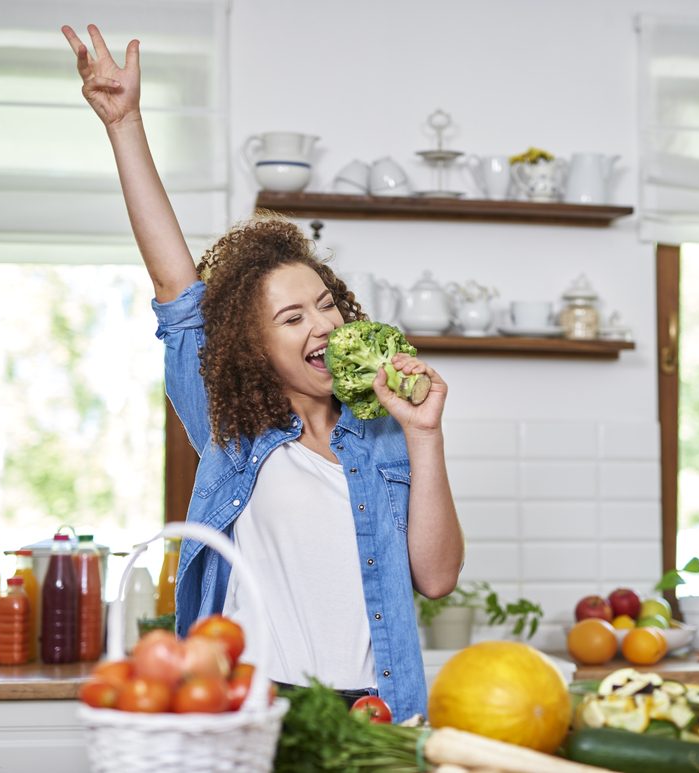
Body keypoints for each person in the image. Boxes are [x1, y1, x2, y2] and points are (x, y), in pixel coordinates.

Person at [62, 24, 464, 720]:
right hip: (254, 710)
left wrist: (425, 433)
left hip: (380, 710)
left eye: (327, 303)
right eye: (292, 318)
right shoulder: (231, 426)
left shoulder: (384, 433)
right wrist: (124, 123)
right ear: (253, 349)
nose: (323, 324)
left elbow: (438, 575)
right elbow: (176, 290)